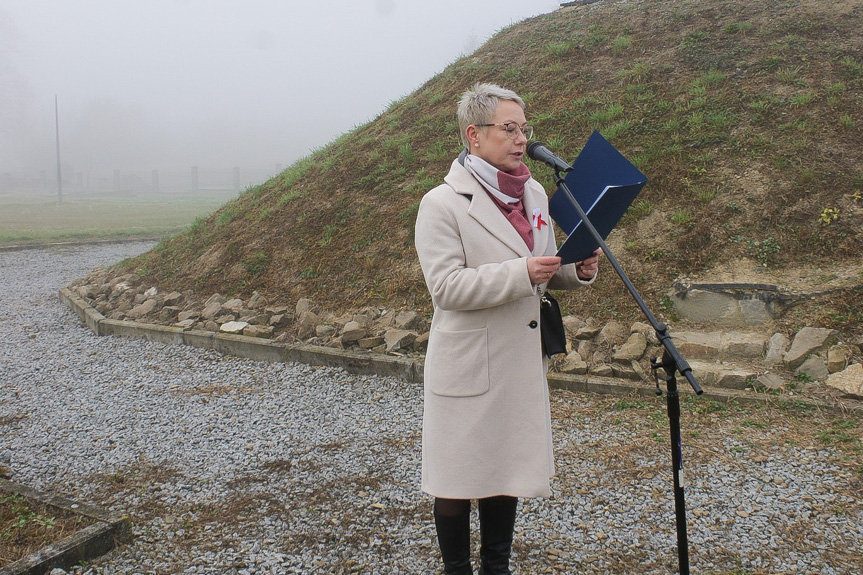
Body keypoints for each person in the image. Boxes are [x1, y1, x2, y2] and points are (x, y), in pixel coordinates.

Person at [414, 82, 601, 575]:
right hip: (469, 363)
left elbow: (542, 264)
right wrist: (521, 275)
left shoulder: (535, 191)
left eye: (524, 129)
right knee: (455, 477)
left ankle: (497, 566)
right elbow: (447, 288)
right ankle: (456, 568)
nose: (521, 140)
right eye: (509, 129)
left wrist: (575, 270)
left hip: (519, 360)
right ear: (474, 135)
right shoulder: (441, 203)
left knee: (505, 469)